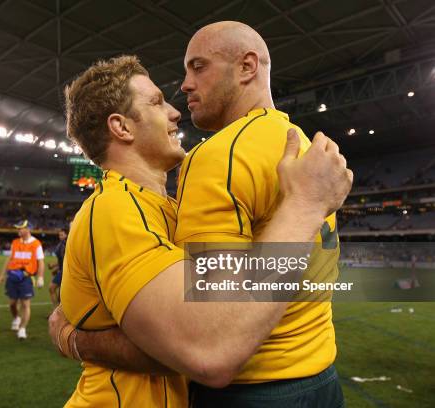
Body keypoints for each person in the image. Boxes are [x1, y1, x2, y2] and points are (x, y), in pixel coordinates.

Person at [48, 50, 351, 407]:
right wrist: (303, 206)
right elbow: (207, 350)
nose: (176, 112)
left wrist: (77, 338)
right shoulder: (114, 208)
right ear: (122, 127)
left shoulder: (167, 210)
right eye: (157, 102)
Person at [0, 220, 44, 340]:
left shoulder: (36, 244)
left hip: (26, 277)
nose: (18, 230)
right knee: (12, 304)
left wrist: (40, 277)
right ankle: (16, 318)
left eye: (21, 228)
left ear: (28, 229)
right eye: (18, 228)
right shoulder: (15, 242)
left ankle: (22, 329)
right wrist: (2, 274)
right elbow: (9, 259)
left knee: (25, 304)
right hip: (12, 277)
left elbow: (41, 262)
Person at [48, 227, 67, 307]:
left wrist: (54, 266)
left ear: (66, 234)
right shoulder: (61, 244)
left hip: (65, 271)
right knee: (60, 293)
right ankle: (59, 311)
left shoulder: (65, 244)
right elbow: (63, 260)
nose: (60, 237)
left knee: (52, 288)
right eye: (59, 235)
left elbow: (66, 260)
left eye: (62, 235)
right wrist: (54, 266)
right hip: (62, 270)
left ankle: (56, 311)